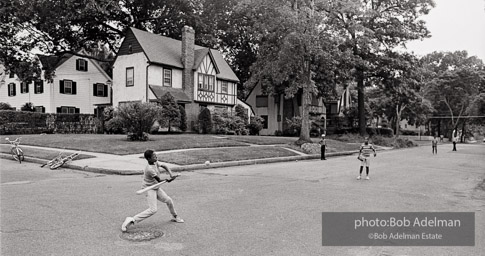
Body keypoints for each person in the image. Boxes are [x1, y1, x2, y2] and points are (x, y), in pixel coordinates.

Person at [122, 150, 184, 232]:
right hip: (149, 188)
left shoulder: (155, 162)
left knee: (168, 200)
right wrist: (168, 180)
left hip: (156, 186)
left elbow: (164, 165)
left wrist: (171, 174)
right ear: (149, 159)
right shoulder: (149, 169)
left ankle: (174, 216)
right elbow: (159, 180)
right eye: (154, 156)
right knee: (153, 210)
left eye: (155, 155)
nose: (156, 157)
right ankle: (132, 219)